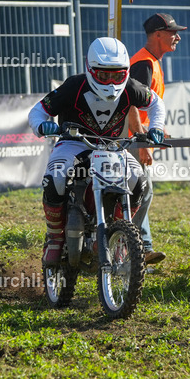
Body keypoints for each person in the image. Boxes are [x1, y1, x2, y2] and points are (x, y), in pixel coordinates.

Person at [28, 37, 166, 267]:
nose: (111, 82)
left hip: (112, 145)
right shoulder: (74, 85)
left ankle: (119, 235)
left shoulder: (131, 86)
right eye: (103, 75)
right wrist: (43, 126)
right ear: (90, 69)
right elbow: (38, 110)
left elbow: (156, 103)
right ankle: (55, 236)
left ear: (126, 72)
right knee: (55, 179)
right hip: (74, 143)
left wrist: (156, 127)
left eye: (117, 75)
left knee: (139, 181)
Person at [127, 12, 186, 265]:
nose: (178, 37)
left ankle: (139, 247)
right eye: (173, 32)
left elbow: (144, 108)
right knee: (142, 191)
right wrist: (142, 141)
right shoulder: (144, 63)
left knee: (140, 193)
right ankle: (130, 248)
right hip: (130, 138)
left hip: (135, 136)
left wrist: (154, 131)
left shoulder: (151, 61)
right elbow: (131, 104)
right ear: (158, 35)